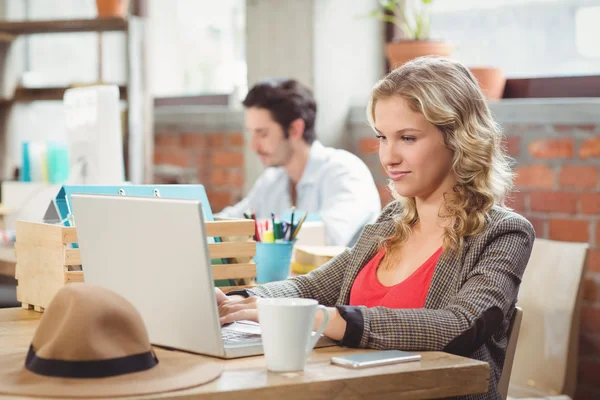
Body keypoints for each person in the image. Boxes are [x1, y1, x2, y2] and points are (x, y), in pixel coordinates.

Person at [216, 57, 535, 399]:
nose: (388, 156)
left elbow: (460, 325)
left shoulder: (505, 233)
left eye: (408, 138)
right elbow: (315, 285)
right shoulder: (391, 221)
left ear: (459, 137)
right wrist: (241, 300)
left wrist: (325, 320)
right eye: (383, 137)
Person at [216, 78, 381, 247]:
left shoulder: (346, 171)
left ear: (295, 129)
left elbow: (327, 237)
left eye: (263, 134)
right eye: (251, 133)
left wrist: (258, 229)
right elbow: (232, 220)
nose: (253, 146)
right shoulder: (272, 180)